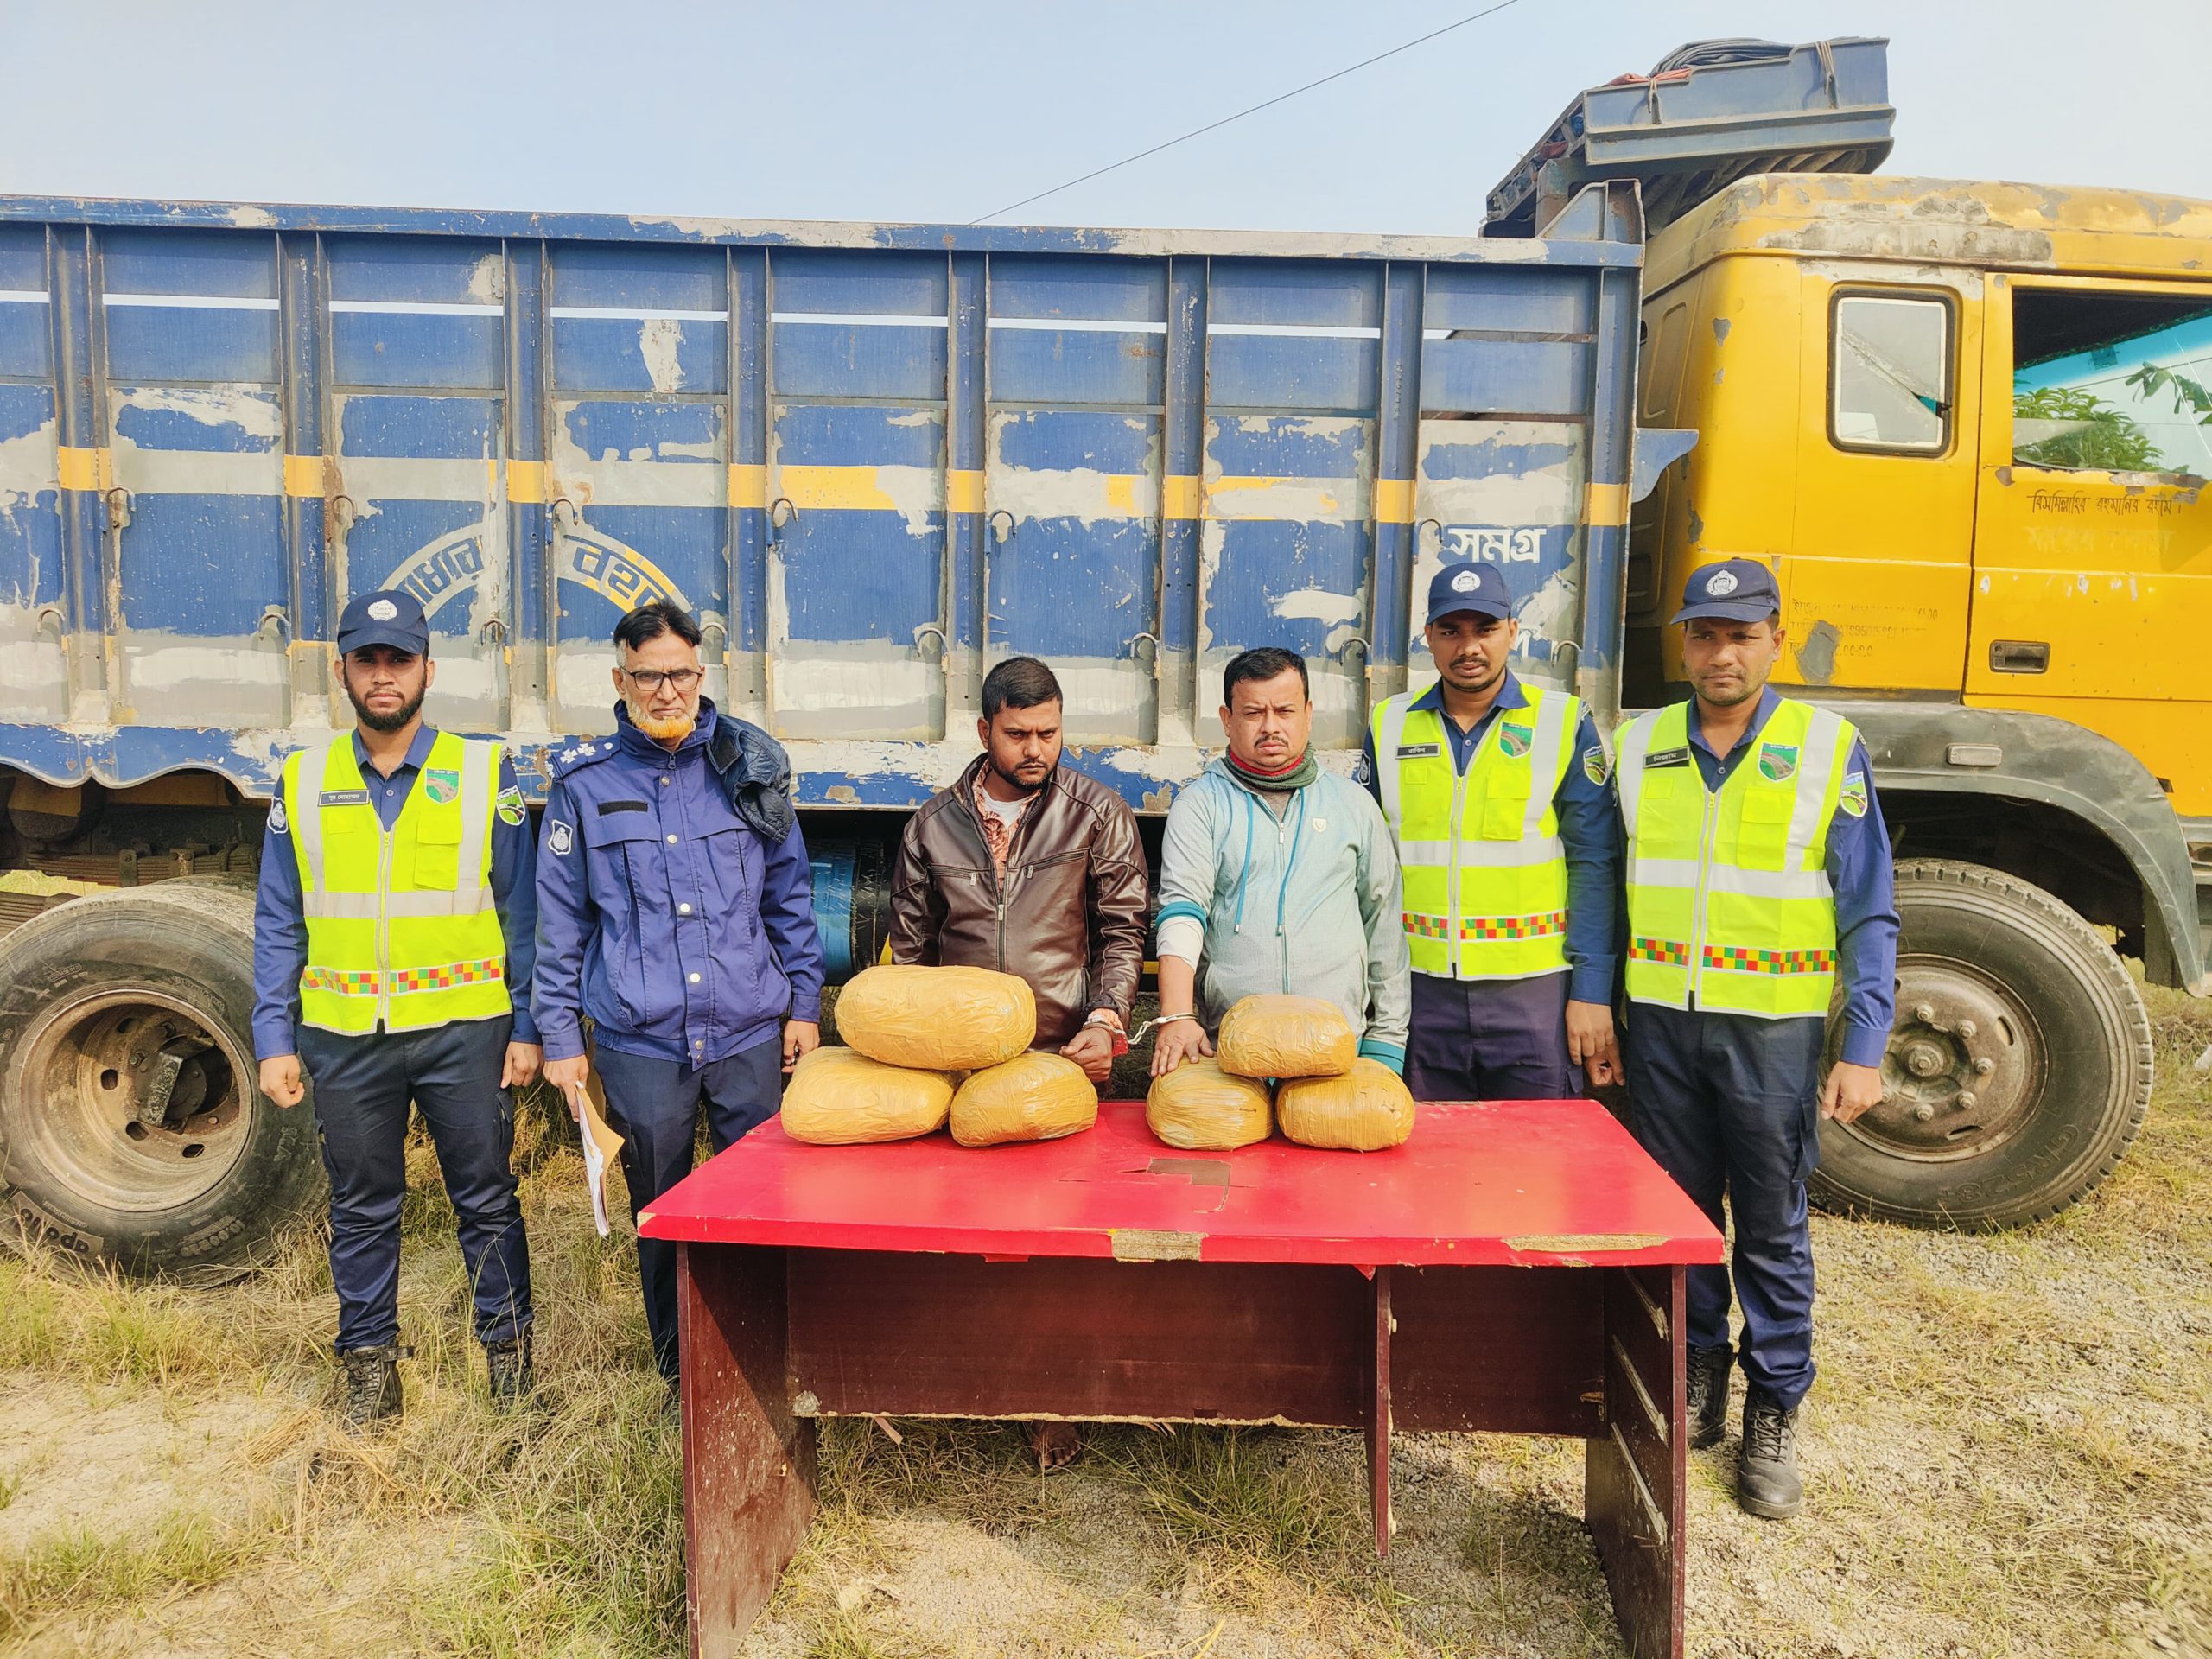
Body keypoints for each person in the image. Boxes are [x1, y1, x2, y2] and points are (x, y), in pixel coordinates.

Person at [1613, 558, 1897, 1520]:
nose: (1720, 652)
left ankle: (1775, 1407)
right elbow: (1598, 882)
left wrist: (1862, 1041)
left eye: (1740, 634)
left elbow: (1868, 907)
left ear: (1777, 636)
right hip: (1657, 1021)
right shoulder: (1637, 743)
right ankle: (1697, 1374)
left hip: (1771, 1032)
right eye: (1703, 633)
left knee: (1770, 1227)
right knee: (1684, 1216)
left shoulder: (1826, 747)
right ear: (1682, 643)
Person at [252, 588, 540, 1431]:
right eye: (367, 659)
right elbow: (279, 918)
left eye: (398, 659)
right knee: (361, 1208)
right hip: (345, 1038)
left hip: (464, 1033)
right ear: (341, 669)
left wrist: (527, 1026)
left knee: (485, 1199)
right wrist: (274, 1036)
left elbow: (524, 912)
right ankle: (371, 1377)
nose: (384, 676)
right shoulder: (303, 781)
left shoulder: (484, 772)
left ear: (426, 669)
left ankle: (512, 1371)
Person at [534, 601, 824, 1400]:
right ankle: (680, 1375)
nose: (668, 691)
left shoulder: (748, 770)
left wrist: (805, 1007)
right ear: (620, 679)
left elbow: (789, 898)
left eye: (683, 674)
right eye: (650, 675)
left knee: (758, 1212)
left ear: (702, 673)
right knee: (661, 1217)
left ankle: (759, 1364)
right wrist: (559, 1036)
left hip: (745, 1035)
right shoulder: (587, 788)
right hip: (641, 1042)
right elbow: (559, 923)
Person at [890, 654, 1149, 1470]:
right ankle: (962, 1380)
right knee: (964, 1235)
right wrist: (918, 1056)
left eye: (1050, 732)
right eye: (1020, 734)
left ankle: (1057, 1400)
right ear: (984, 731)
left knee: (1065, 1240)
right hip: (966, 1068)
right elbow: (910, 954)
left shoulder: (1096, 813)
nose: (1038, 749)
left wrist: (1107, 1018)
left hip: (1060, 1061)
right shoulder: (932, 824)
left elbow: (1122, 928)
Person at [1361, 563, 1622, 1101]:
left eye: (1484, 629)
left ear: (1512, 631)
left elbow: (1595, 864)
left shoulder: (1563, 722)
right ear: (1428, 638)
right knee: (1421, 1159)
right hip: (1418, 991)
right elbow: (1360, 867)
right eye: (1451, 631)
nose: (1469, 647)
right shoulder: (1388, 724)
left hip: (1533, 997)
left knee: (1534, 1164)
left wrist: (1592, 992)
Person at [1151, 646, 1409, 1080]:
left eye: (1284, 710)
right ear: (1227, 718)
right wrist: (1177, 1015)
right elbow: (1182, 911)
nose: (1271, 727)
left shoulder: (1354, 805)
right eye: (1253, 713)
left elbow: (1383, 924)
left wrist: (1387, 1043)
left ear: (1308, 713)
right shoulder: (1200, 805)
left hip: (1337, 1052)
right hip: (1234, 1053)